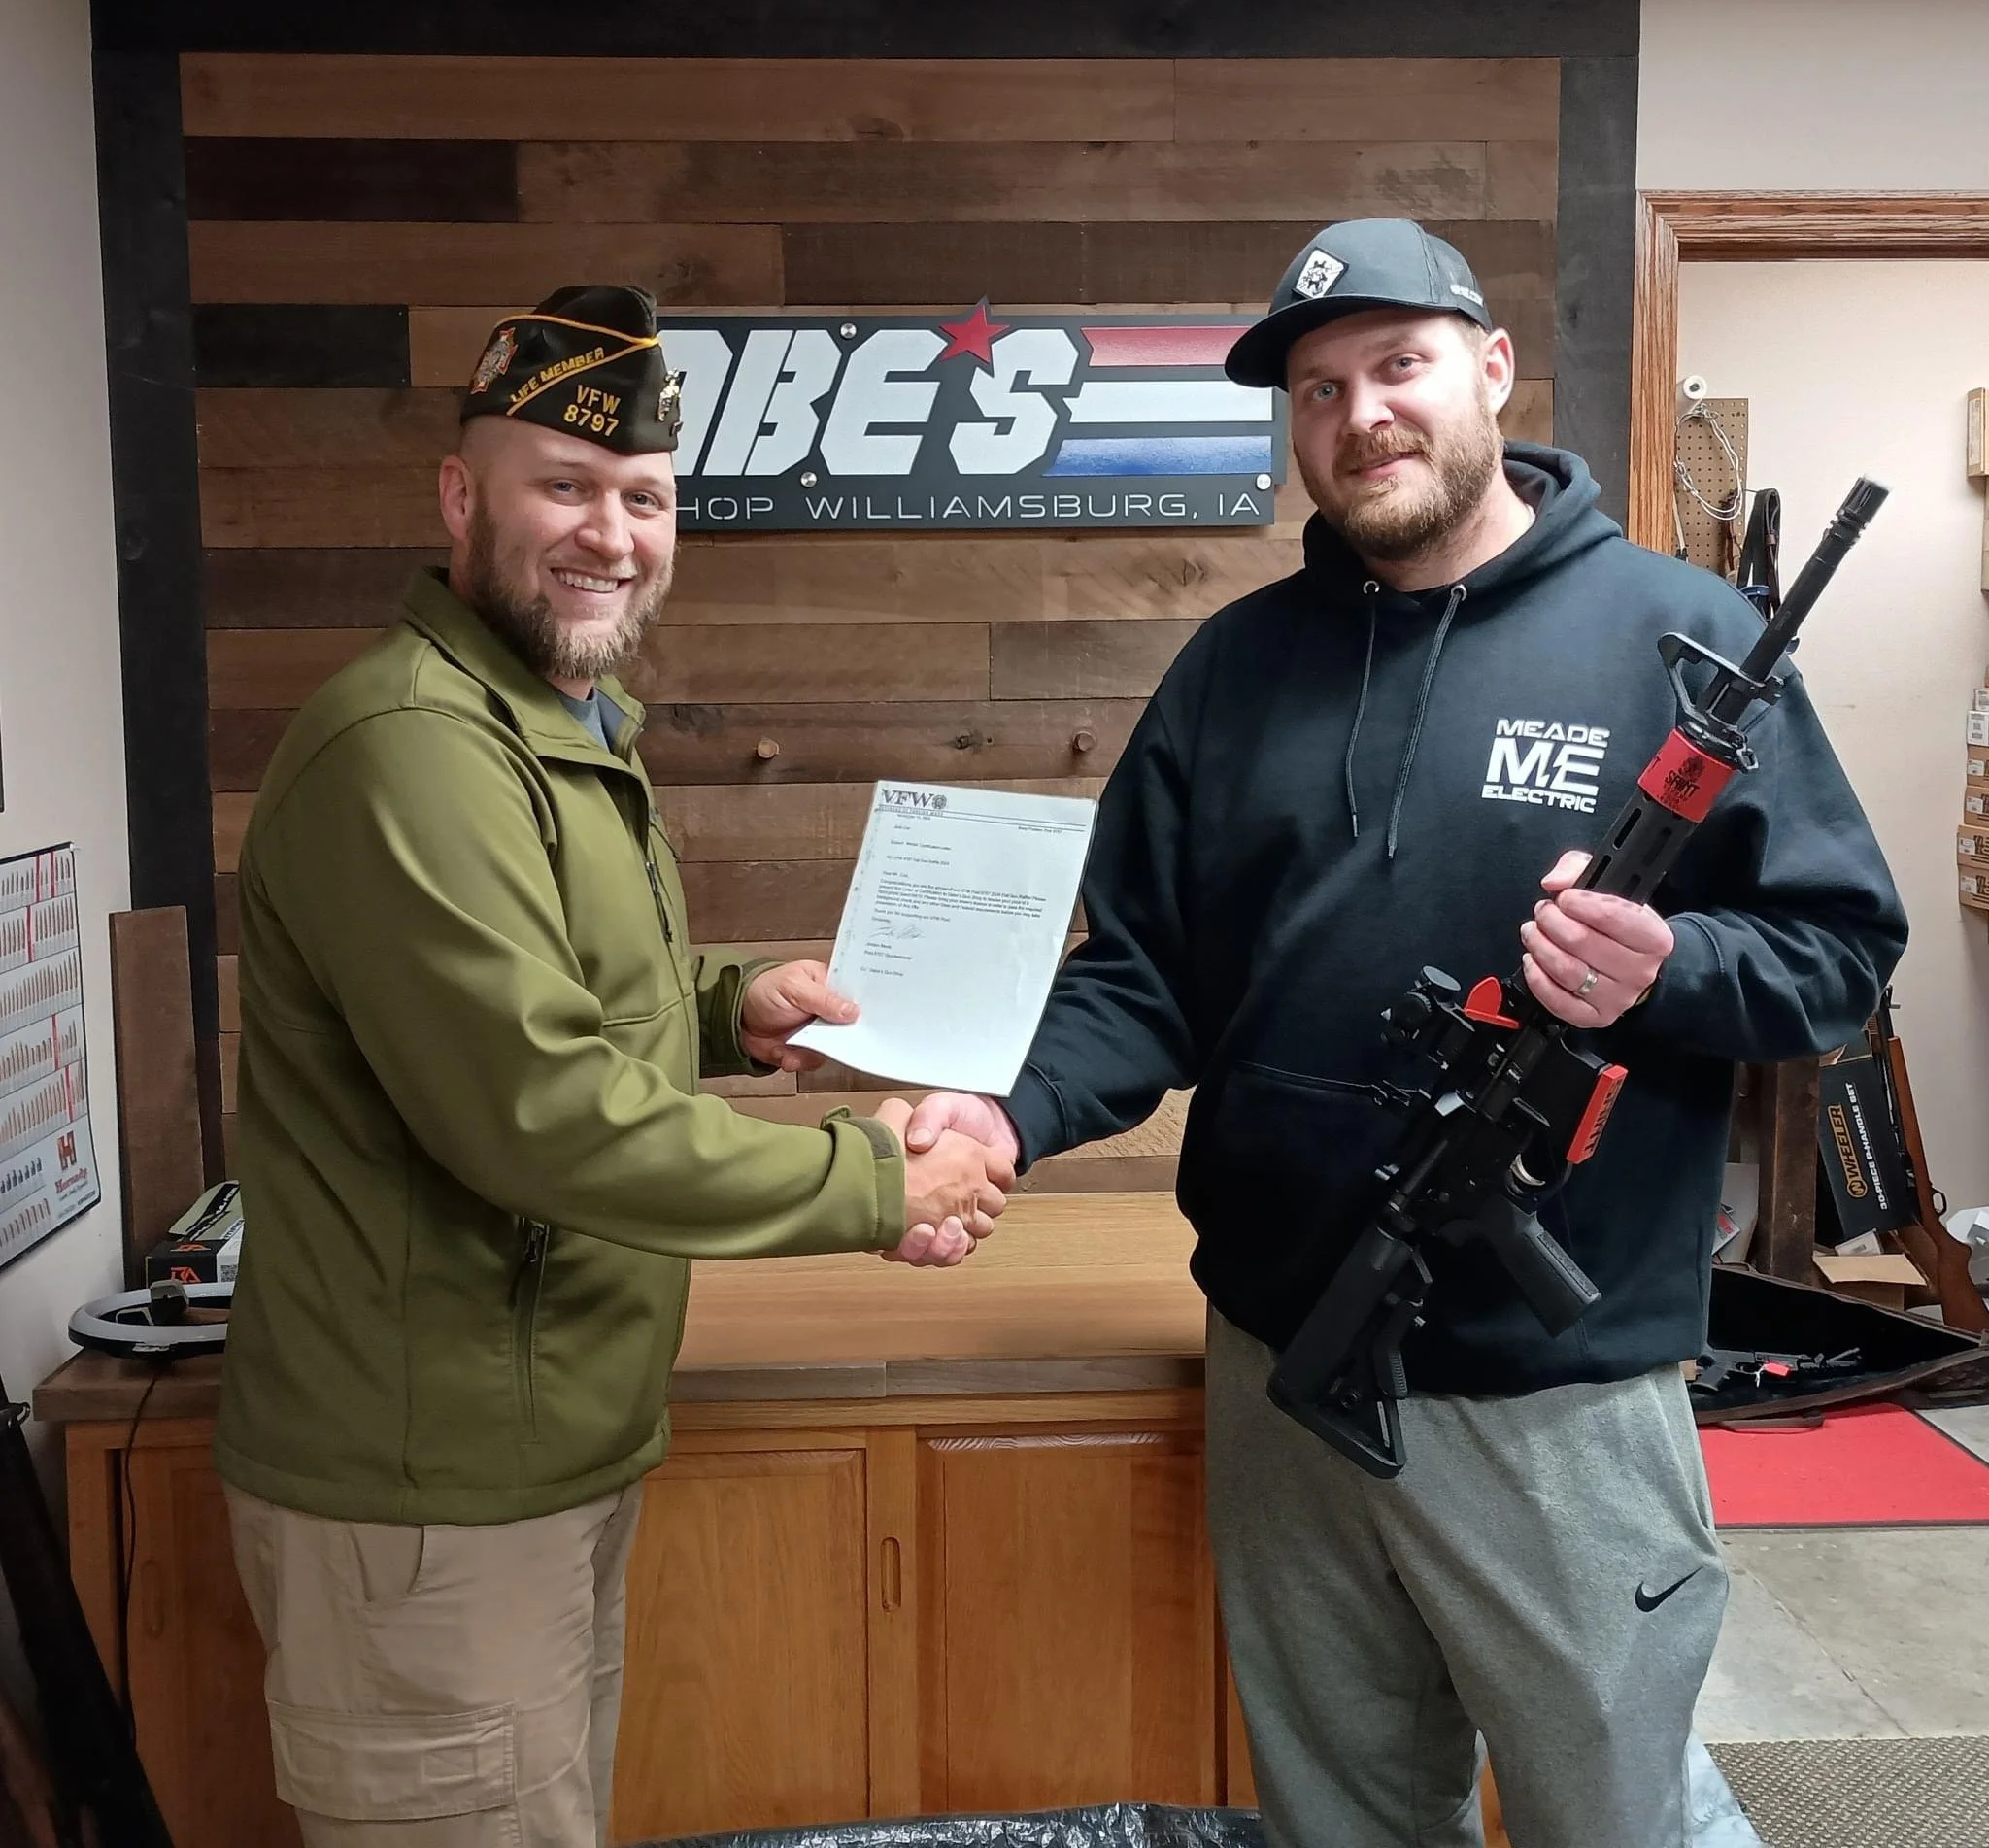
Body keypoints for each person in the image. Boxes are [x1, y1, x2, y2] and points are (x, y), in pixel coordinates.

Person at [906, 219, 1906, 1848]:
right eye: (1316, 388)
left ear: (1490, 373)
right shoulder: (1232, 673)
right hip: (1283, 1367)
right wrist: (1010, 1112)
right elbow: (1140, 976)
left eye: (1398, 366)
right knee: (1341, 1819)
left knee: (1613, 1819)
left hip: (1558, 1403)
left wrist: (1664, 965)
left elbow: (1840, 958)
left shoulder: (1682, 646)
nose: (1358, 414)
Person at [215, 286, 1012, 1848]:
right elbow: (545, 1116)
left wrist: (729, 1009)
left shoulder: (552, 722)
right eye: (562, 487)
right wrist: (877, 1178)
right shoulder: (415, 750)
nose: (610, 533)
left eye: (642, 498)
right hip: (430, 1490)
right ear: (463, 496)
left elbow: (553, 1001)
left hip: (534, 1451)